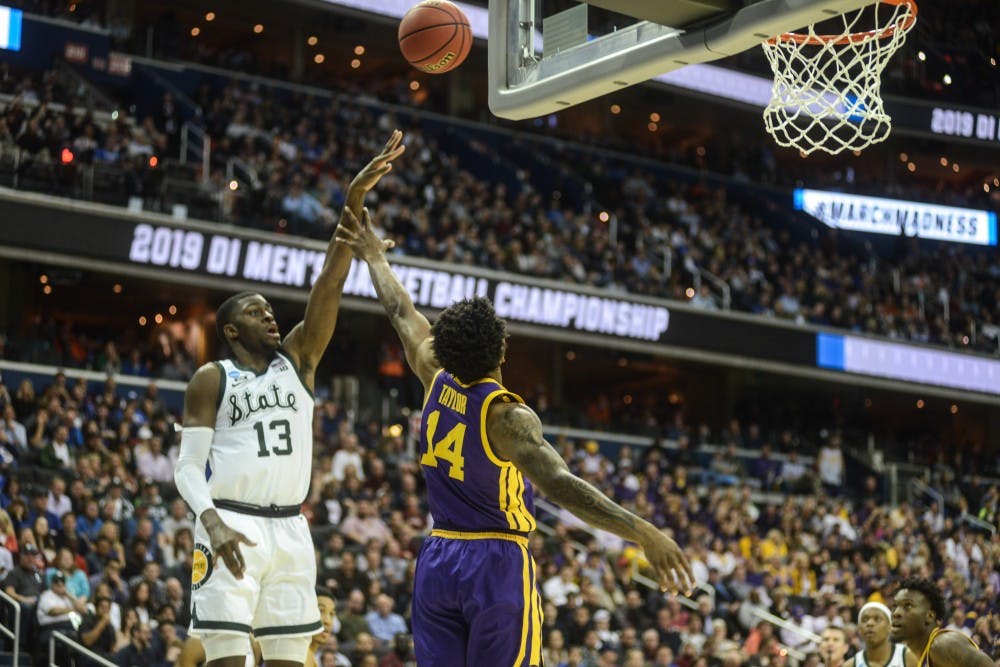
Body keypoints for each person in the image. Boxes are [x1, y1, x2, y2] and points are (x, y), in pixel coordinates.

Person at [335, 199, 694, 666]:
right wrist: (642, 530)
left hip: (438, 557)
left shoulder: (432, 374)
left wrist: (375, 258)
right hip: (495, 562)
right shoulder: (504, 416)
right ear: (502, 348)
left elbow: (402, 313)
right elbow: (561, 484)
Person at [173, 130, 405, 667]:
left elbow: (330, 280)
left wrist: (354, 200)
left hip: (292, 528)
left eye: (270, 310)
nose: (270, 316)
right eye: (255, 312)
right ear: (231, 331)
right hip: (229, 520)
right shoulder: (212, 378)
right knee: (226, 658)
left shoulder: (298, 362)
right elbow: (186, 467)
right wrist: (210, 522)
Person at [890, 577, 993, 667]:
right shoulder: (916, 657)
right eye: (894, 606)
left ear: (929, 616)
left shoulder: (943, 645)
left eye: (907, 605)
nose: (896, 613)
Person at [842, 602, 915, 667]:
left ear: (889, 627)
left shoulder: (907, 656)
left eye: (877, 619)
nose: (869, 623)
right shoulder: (851, 664)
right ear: (859, 629)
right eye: (865, 620)